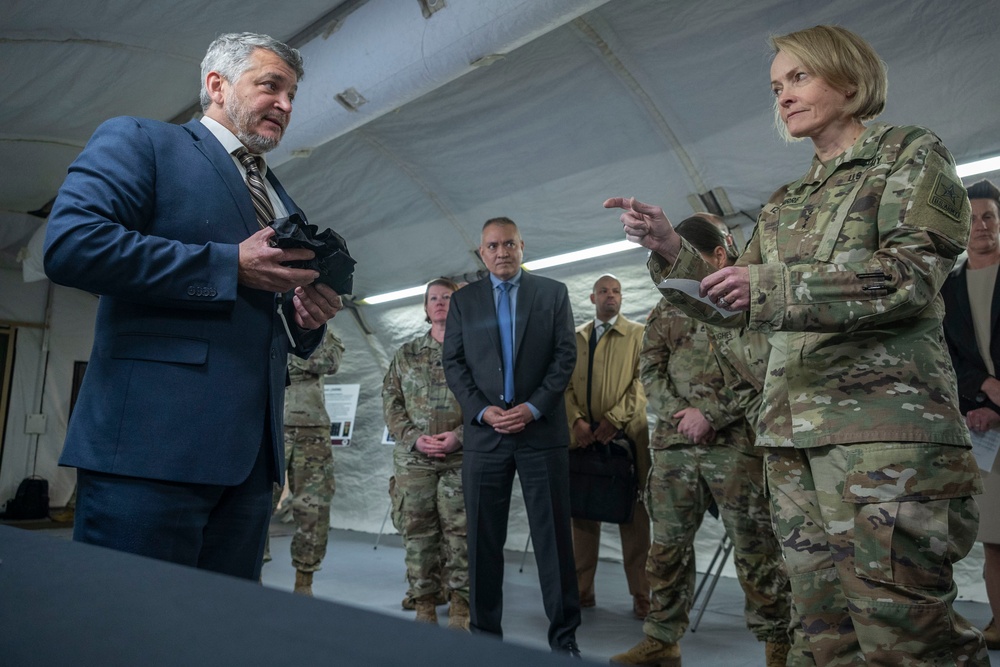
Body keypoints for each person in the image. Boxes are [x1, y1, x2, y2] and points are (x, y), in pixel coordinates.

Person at [605, 24, 986, 666]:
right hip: (791, 440)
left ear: (848, 76)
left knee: (907, 640)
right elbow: (732, 305)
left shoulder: (909, 153)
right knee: (822, 636)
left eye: (798, 77)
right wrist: (672, 249)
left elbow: (912, 276)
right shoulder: (788, 202)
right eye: (776, 85)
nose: (783, 95)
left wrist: (770, 286)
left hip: (881, 439)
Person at [43, 32, 343, 581]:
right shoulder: (142, 140)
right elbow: (72, 245)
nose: (286, 104)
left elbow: (262, 305)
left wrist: (303, 318)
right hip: (150, 452)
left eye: (293, 94)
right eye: (270, 86)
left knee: (217, 638)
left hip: (249, 465)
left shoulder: (277, 195)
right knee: (131, 631)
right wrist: (227, 265)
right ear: (217, 85)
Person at [610, 216, 792, 667]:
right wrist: (681, 415)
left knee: (756, 549)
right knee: (667, 547)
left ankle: (779, 644)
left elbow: (765, 370)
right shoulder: (668, 308)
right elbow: (649, 368)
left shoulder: (747, 302)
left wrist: (710, 414)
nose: (681, 267)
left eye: (690, 257)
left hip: (736, 446)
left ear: (719, 254)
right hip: (676, 447)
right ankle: (662, 639)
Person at [442, 217, 581, 657]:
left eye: (509, 244)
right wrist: (483, 412)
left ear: (523, 246)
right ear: (481, 254)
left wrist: (533, 407)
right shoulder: (465, 303)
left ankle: (564, 641)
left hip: (540, 433)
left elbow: (565, 355)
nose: (502, 252)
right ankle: (485, 642)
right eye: (492, 246)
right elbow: (455, 363)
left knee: (554, 541)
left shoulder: (552, 294)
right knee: (482, 542)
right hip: (486, 438)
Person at [382, 278, 470, 630]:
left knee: (461, 534)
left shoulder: (472, 353)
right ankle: (424, 605)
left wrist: (460, 436)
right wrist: (413, 438)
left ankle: (462, 606)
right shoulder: (406, 354)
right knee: (417, 534)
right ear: (424, 307)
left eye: (446, 298)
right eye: (433, 298)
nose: (439, 303)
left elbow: (488, 402)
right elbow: (391, 401)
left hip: (459, 458)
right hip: (414, 459)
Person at [564, 274, 651, 619]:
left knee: (634, 517)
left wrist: (615, 419)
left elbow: (643, 382)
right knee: (582, 515)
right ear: (592, 298)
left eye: (616, 291)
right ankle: (581, 592)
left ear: (622, 298)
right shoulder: (577, 338)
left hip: (626, 439)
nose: (610, 296)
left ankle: (642, 595)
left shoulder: (638, 335)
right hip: (583, 442)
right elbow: (564, 386)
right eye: (603, 291)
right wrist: (575, 421)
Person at [942, 178, 1000, 649]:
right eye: (974, 218)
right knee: (995, 536)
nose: (982, 226)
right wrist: (981, 393)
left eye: (990, 217)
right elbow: (946, 355)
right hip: (984, 430)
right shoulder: (948, 287)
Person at [270, 327, 345, 596]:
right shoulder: (266, 319)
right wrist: (304, 358)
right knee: (255, 504)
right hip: (269, 424)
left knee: (314, 507)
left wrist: (285, 356)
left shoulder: (322, 328)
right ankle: (251, 573)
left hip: (311, 428)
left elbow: (331, 362)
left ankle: (304, 580)